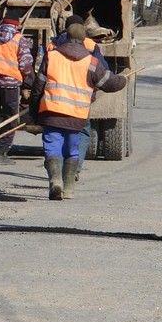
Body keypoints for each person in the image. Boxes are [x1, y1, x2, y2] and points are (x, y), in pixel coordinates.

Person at [36, 21, 126, 200]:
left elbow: (38, 87)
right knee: (72, 149)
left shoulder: (51, 56)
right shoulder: (91, 62)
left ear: (66, 37)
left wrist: (34, 110)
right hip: (77, 115)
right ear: (84, 40)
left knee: (52, 147)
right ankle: (68, 189)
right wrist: (122, 79)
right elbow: (109, 83)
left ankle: (55, 180)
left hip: (52, 112)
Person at [47, 18, 111, 177]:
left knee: (56, 135)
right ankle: (73, 169)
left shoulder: (53, 45)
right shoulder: (89, 44)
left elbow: (42, 71)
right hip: (81, 100)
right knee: (82, 132)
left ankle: (58, 173)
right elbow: (103, 70)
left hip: (55, 99)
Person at [0, 17, 34, 164]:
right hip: (10, 85)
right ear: (16, 25)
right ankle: (1, 154)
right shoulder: (18, 39)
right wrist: (26, 80)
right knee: (10, 119)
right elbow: (26, 64)